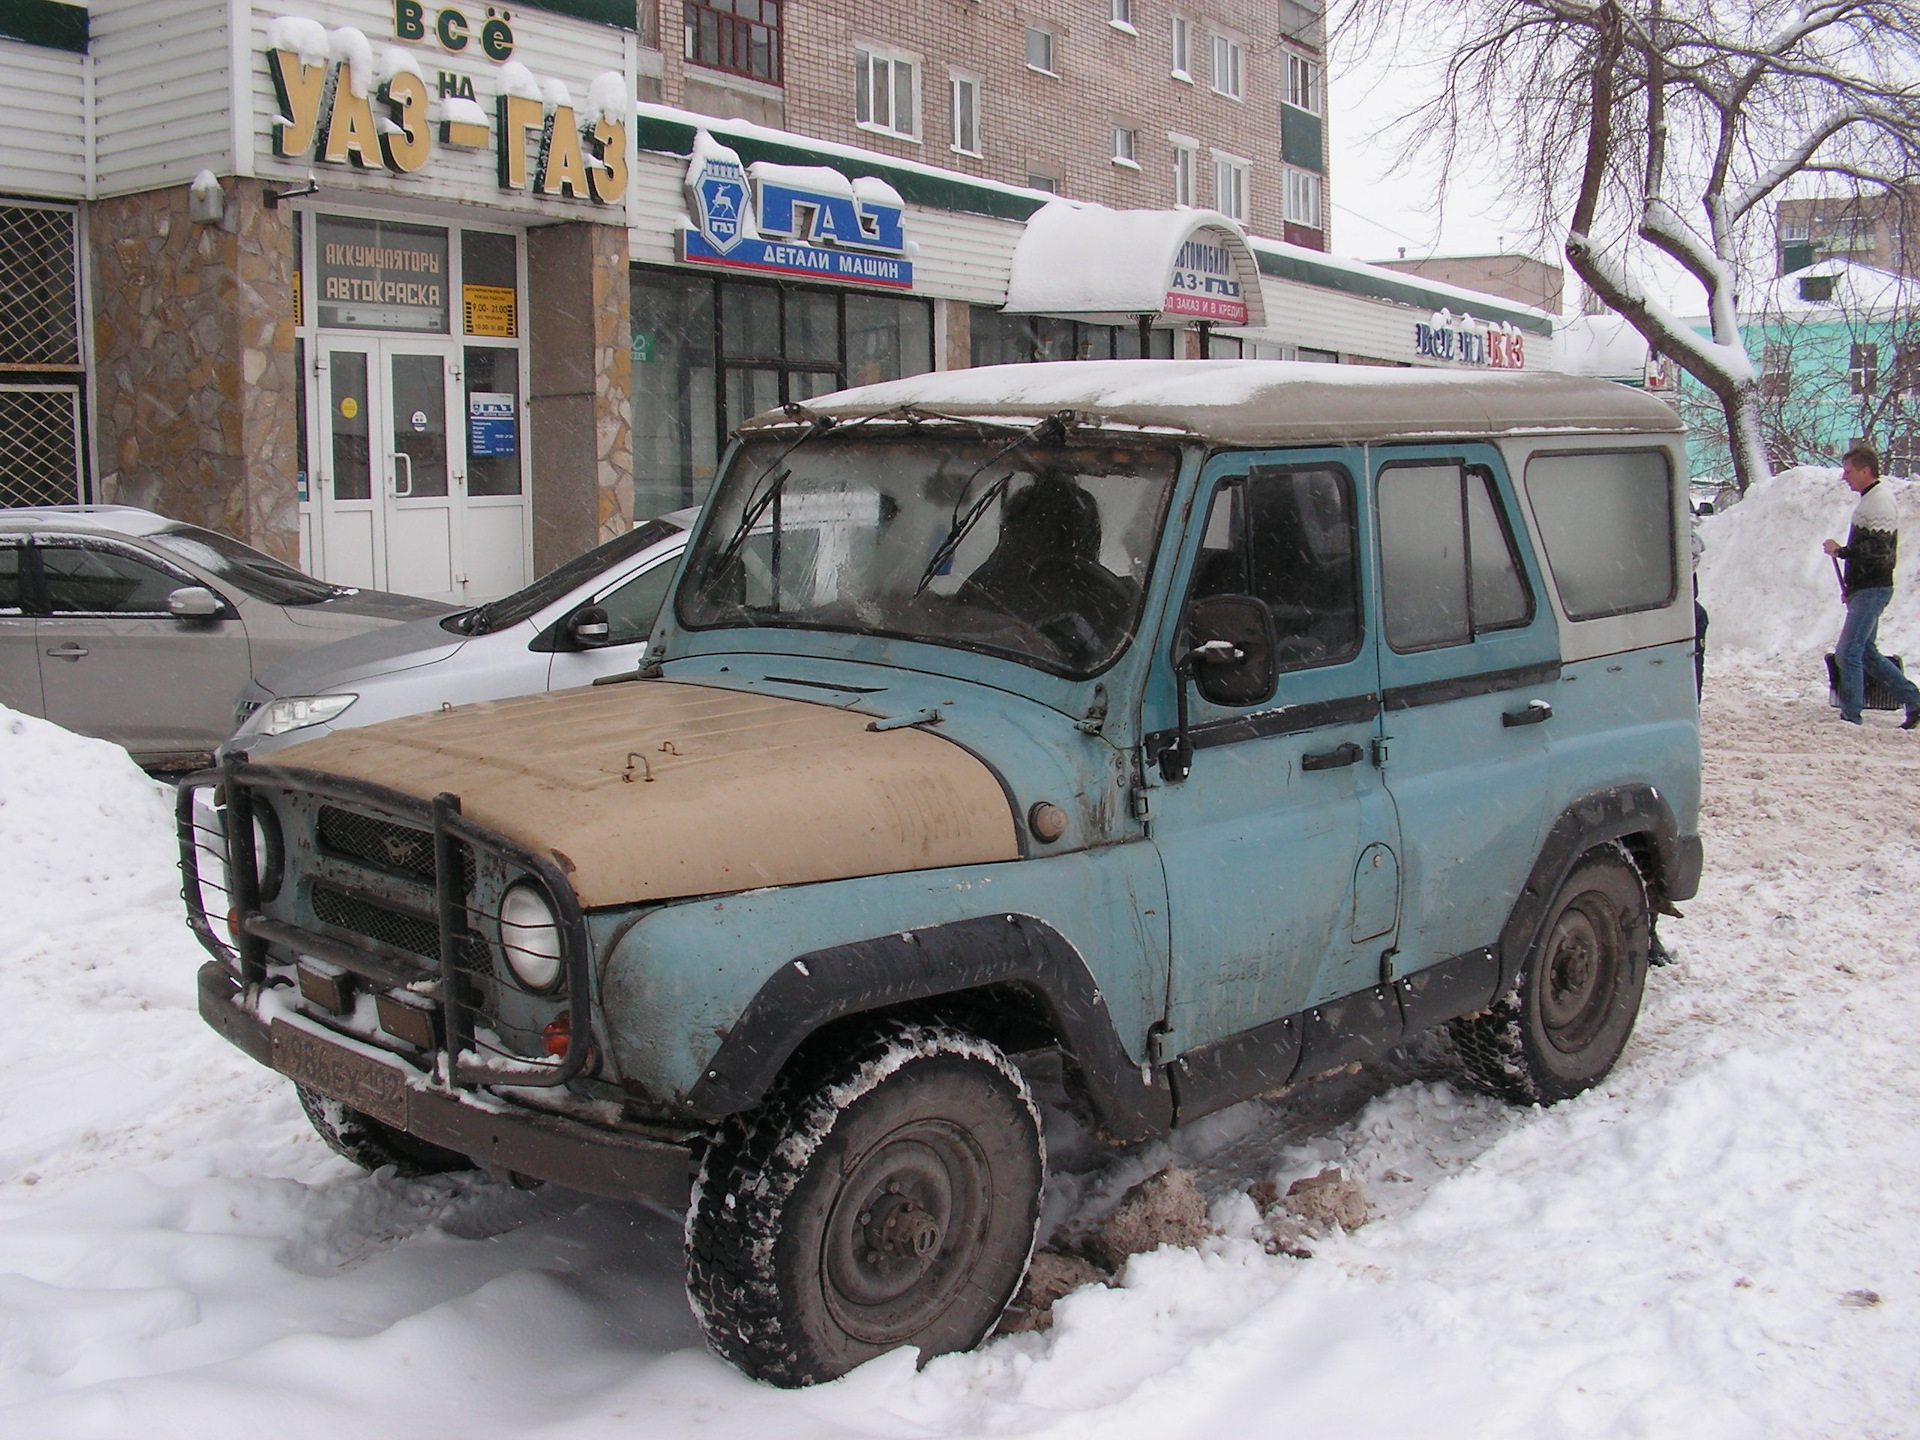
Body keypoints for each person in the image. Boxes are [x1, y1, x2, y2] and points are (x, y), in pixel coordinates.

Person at [1823, 445, 1920, 727]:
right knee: (1866, 652)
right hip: (1865, 589)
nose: (1845, 477)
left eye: (1849, 471)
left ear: (1866, 471)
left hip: (1873, 589)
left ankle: (1850, 714)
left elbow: (1880, 553)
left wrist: (1842, 552)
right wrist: (1851, 585)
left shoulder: (1879, 502)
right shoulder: (1871, 500)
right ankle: (1913, 700)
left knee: (1848, 652)